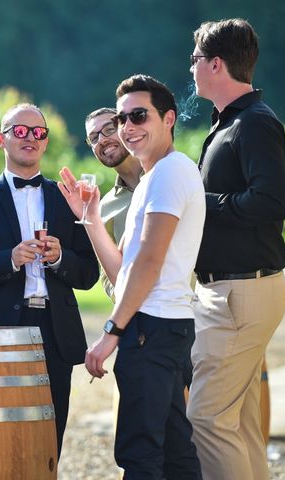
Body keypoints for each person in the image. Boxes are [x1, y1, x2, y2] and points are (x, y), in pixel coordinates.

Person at [59, 75, 204, 478]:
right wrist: (89, 219)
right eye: (123, 118)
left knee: (139, 455)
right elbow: (124, 268)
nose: (127, 127)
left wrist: (112, 331)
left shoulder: (169, 174)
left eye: (138, 115)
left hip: (152, 328)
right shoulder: (152, 179)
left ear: (169, 118)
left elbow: (148, 264)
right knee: (175, 451)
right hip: (161, 326)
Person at [0, 103, 99, 456]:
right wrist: (9, 260)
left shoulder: (66, 200)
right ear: (2, 139)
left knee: (50, 437)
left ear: (45, 143)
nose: (30, 137)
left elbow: (89, 273)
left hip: (55, 330)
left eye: (38, 132)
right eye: (20, 131)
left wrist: (60, 258)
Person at [186, 19, 285, 480]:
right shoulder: (236, 122)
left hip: (239, 293)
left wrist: (201, 204)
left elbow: (273, 201)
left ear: (214, 64)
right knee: (242, 426)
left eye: (195, 60)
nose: (190, 69)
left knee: (206, 419)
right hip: (236, 292)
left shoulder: (253, 124)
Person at [84, 107, 142, 299]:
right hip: (136, 316)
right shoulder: (104, 207)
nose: (101, 140)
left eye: (109, 129)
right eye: (93, 138)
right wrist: (126, 299)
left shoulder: (166, 175)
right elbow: (106, 275)